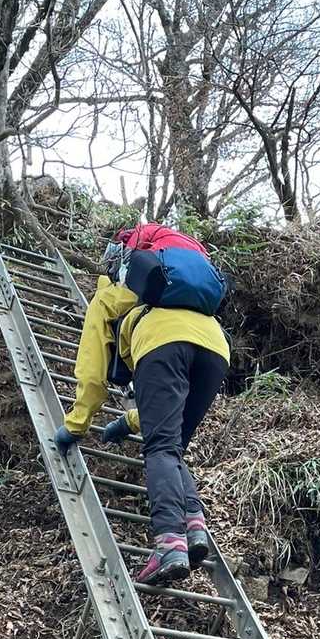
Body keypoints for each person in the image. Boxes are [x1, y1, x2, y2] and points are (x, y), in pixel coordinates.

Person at [53, 227, 230, 587]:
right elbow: (165, 413)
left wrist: (76, 424)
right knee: (173, 447)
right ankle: (193, 524)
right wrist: (130, 421)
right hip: (216, 350)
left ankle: (169, 545)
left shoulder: (115, 293)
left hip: (163, 345)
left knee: (161, 448)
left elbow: (93, 370)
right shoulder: (184, 294)